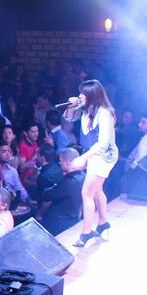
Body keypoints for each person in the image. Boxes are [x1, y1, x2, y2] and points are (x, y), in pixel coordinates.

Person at [64, 79, 118, 246]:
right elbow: (68, 119)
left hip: (104, 156)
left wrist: (83, 158)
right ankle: (103, 224)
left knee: (87, 193)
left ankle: (86, 232)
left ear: (92, 95)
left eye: (83, 94)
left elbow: (103, 144)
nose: (80, 96)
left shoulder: (104, 114)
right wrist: (71, 106)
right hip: (93, 155)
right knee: (97, 190)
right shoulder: (86, 109)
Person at [37, 148, 85, 236]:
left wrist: (51, 187)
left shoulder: (70, 182)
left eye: (61, 160)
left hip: (58, 223)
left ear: (68, 162)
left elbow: (47, 195)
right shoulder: (83, 176)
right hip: (74, 218)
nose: (59, 163)